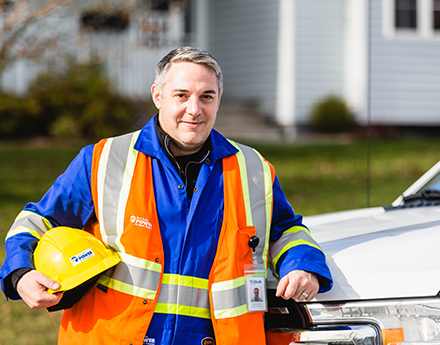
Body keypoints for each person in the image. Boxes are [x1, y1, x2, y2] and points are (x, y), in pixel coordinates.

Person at [0, 46, 332, 345]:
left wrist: (302, 265)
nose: (194, 109)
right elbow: (37, 220)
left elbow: (286, 230)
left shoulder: (253, 169)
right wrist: (21, 274)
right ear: (158, 95)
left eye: (207, 97)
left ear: (219, 99)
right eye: (181, 95)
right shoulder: (104, 159)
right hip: (114, 337)